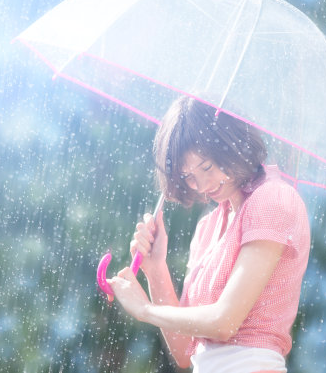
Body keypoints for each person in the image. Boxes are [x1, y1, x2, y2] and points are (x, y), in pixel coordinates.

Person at [107, 96, 310, 373]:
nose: (202, 185)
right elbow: (184, 352)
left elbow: (224, 323)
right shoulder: (207, 228)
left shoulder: (272, 199)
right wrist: (156, 269)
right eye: (188, 175)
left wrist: (145, 310)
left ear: (230, 146)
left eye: (206, 167)